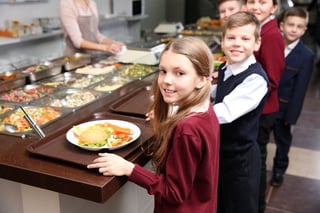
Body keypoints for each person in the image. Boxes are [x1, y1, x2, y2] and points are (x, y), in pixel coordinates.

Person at [87, 37, 220, 213]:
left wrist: (129, 169)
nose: (167, 80)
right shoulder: (205, 109)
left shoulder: (186, 129)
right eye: (163, 71)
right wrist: (168, 119)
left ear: (202, 80)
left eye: (179, 73)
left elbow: (173, 192)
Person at [210, 11, 269, 213]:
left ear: (257, 43)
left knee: (240, 206)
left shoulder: (255, 79)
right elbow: (217, 92)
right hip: (223, 153)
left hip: (241, 160)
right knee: (221, 203)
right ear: (222, 41)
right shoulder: (227, 67)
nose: (237, 43)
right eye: (231, 38)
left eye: (245, 39)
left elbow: (224, 111)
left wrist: (179, 115)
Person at [245, 0, 285, 212]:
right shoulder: (258, 28)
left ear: (274, 7)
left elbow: (271, 80)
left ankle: (257, 206)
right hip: (256, 109)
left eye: (263, 2)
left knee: (256, 163)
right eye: (251, 1)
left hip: (262, 111)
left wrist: (240, 96)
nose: (256, 6)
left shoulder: (271, 35)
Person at [270, 7, 315, 186]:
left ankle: (279, 170)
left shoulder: (306, 56)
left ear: (304, 30)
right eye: (290, 25)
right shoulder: (272, 45)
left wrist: (292, 116)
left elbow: (300, 89)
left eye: (299, 26)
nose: (294, 29)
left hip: (284, 108)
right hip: (266, 104)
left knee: (283, 141)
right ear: (282, 25)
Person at [59, 0, 124, 56]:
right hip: (75, 60)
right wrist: (106, 48)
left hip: (92, 57)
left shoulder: (92, 3)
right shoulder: (67, 3)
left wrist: (113, 43)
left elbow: (96, 35)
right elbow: (78, 41)